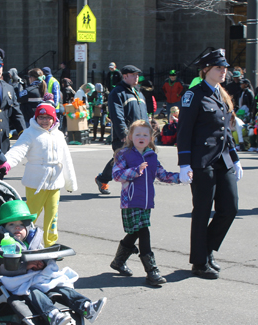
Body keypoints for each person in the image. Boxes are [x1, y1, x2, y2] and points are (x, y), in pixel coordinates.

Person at [0, 200, 107, 325]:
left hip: (38, 276)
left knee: (61, 287)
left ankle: (86, 307)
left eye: (21, 224)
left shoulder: (32, 240)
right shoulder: (0, 243)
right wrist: (25, 266)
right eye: (11, 224)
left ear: (27, 226)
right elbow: (1, 267)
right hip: (18, 282)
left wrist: (43, 263)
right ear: (3, 228)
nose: (17, 228)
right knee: (34, 293)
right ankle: (52, 315)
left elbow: (43, 254)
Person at [177, 49, 241, 280]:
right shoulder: (193, 95)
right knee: (202, 212)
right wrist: (185, 164)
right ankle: (199, 262)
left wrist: (235, 158)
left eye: (224, 68)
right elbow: (184, 132)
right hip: (202, 161)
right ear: (206, 70)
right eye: (218, 68)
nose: (223, 71)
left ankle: (208, 249)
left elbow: (225, 132)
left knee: (230, 208)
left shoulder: (221, 94)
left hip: (223, 160)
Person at [0, 103, 77, 248]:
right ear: (35, 118)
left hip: (55, 184)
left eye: (48, 117)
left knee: (52, 216)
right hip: (36, 183)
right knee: (30, 215)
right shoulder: (30, 133)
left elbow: (66, 159)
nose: (44, 121)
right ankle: (25, 241)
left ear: (54, 118)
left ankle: (50, 243)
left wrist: (70, 183)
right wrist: (6, 163)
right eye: (41, 117)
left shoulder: (59, 135)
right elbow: (18, 149)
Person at [111, 120, 180, 286]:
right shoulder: (124, 154)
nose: (141, 137)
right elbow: (117, 175)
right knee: (143, 232)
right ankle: (151, 271)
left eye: (145, 135)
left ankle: (118, 262)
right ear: (130, 137)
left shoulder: (152, 155)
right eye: (138, 134)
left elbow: (163, 175)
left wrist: (181, 177)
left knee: (135, 232)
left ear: (150, 138)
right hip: (131, 201)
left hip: (147, 202)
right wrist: (136, 171)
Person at [95, 65, 148, 195]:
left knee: (122, 159)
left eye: (137, 75)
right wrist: (123, 133)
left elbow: (145, 114)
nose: (137, 77)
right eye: (133, 75)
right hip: (126, 134)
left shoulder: (139, 93)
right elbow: (116, 115)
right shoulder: (118, 93)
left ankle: (102, 178)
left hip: (141, 134)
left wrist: (149, 131)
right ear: (125, 76)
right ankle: (131, 188)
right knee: (126, 160)